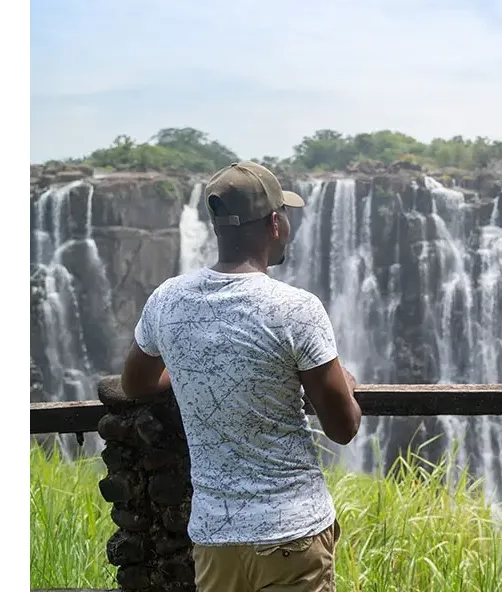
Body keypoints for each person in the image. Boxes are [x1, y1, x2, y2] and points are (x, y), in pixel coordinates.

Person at [120, 161, 362, 592]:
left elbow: (134, 385)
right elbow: (343, 428)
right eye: (285, 215)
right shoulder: (296, 309)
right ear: (274, 223)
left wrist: (195, 373)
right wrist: (345, 382)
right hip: (292, 536)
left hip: (216, 541)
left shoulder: (167, 300)